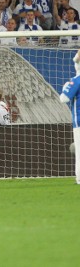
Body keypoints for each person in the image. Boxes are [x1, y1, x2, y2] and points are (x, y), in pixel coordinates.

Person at [60, 50, 80, 185]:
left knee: (79, 151)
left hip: (79, 122)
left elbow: (63, 98)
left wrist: (65, 86)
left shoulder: (76, 81)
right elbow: (76, 58)